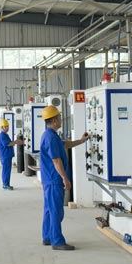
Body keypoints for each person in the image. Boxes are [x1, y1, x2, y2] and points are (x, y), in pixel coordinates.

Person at [39, 105, 89, 251]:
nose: (61, 120)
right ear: (54, 120)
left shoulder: (50, 135)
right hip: (54, 180)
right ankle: (57, 241)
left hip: (49, 180)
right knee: (56, 211)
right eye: (59, 117)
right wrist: (65, 178)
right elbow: (56, 161)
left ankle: (47, 237)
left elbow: (66, 144)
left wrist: (81, 140)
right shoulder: (51, 138)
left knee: (49, 209)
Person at [0, 119, 23, 190]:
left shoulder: (5, 135)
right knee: (6, 170)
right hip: (5, 156)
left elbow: (10, 143)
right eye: (5, 126)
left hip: (7, 155)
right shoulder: (2, 135)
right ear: (2, 127)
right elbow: (8, 144)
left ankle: (6, 184)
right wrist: (16, 142)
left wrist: (15, 142)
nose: (7, 128)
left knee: (6, 170)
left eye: (7, 126)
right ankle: (5, 185)